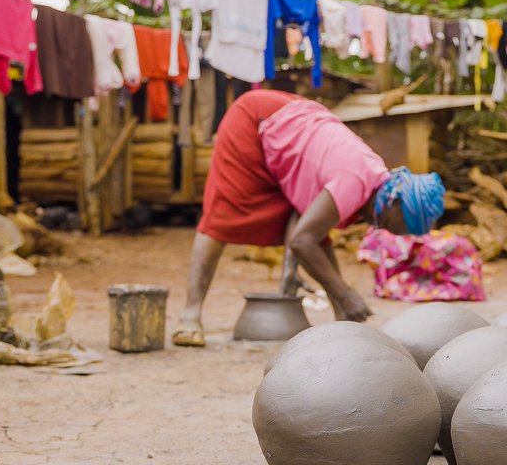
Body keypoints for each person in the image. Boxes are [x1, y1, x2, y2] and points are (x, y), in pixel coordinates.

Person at [172, 89, 446, 347]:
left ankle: (342, 319)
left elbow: (314, 238)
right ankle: (189, 316)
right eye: (403, 226)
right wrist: (344, 294)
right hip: (256, 121)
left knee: (310, 232)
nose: (397, 234)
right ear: (395, 203)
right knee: (224, 216)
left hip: (289, 127)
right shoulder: (355, 180)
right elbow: (303, 242)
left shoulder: (374, 184)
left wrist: (343, 313)